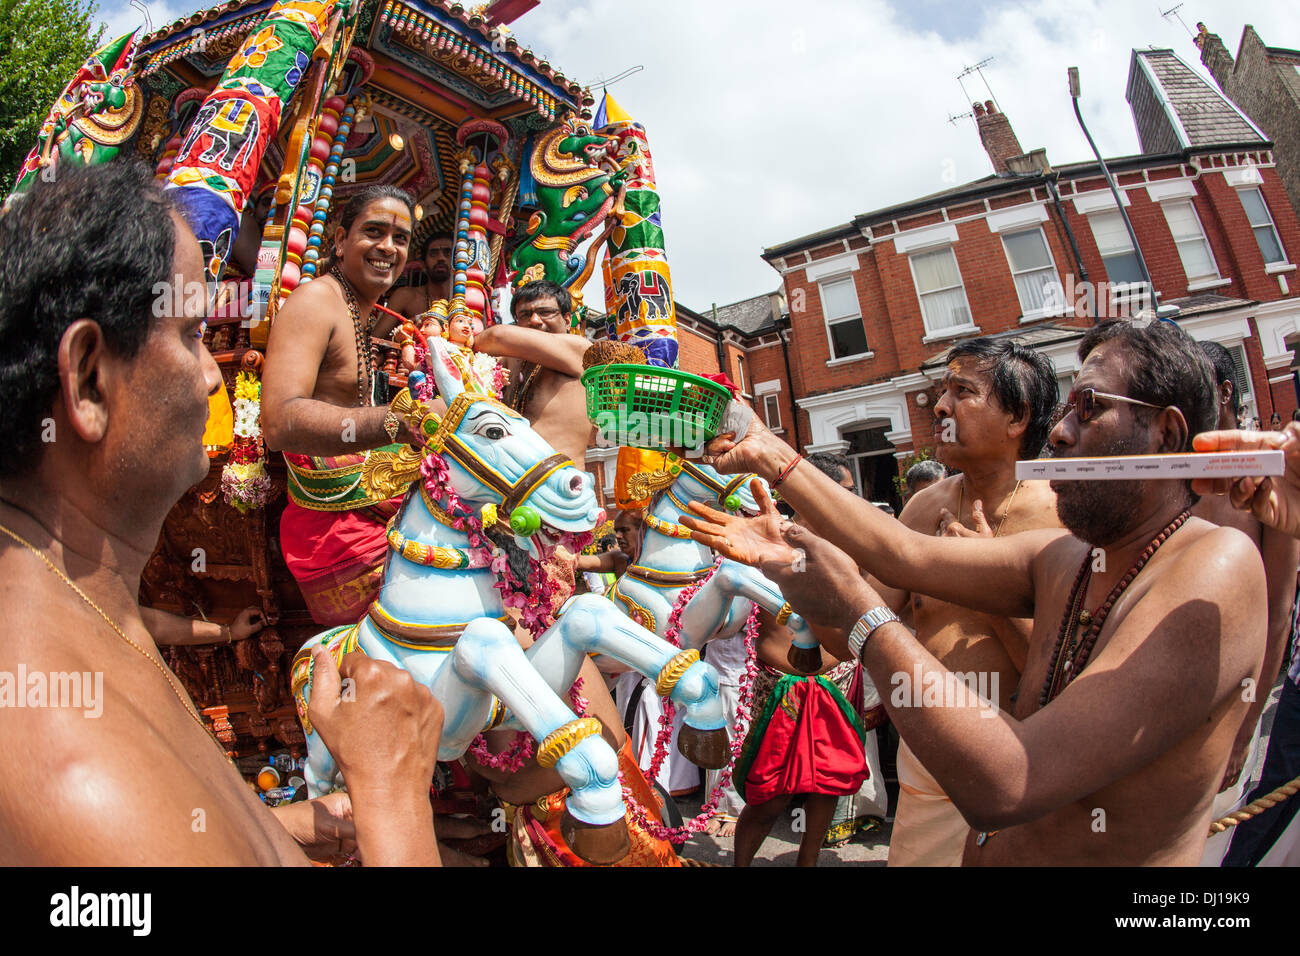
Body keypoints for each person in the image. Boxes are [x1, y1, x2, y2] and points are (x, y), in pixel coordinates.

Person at [686, 319, 1266, 865]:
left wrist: (856, 606)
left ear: (1166, 431)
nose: (1060, 435)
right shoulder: (1063, 558)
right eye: (1065, 409)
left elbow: (1012, 782)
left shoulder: (1215, 563)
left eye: (1089, 408)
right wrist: (766, 454)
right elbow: (900, 553)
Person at [0, 163, 444, 865]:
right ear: (88, 381)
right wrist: (393, 796)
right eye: (193, 334)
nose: (216, 374)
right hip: (329, 530)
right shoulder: (75, 772)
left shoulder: (85, 607)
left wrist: (280, 828)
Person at [875, 339, 1062, 866]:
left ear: (1018, 416)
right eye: (941, 392)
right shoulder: (923, 507)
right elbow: (855, 625)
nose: (939, 407)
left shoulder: (1065, 514)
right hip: (926, 774)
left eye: (962, 392)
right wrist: (791, 568)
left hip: (1025, 772)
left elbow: (1064, 679)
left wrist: (987, 586)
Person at [261, 184, 417, 626]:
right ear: (339, 240)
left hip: (370, 514)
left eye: (400, 238)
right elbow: (280, 422)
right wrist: (401, 422)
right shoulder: (315, 301)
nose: (387, 247)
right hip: (334, 532)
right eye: (374, 231)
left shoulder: (359, 311)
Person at [732, 452, 883, 864]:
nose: (854, 500)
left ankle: (808, 861)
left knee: (827, 784)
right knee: (770, 794)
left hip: (837, 681)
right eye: (847, 492)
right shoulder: (765, 538)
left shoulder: (852, 551)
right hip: (781, 688)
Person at [1192, 342, 1299, 865]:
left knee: (1223, 842)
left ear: (1226, 391)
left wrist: (1245, 726)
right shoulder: (1179, 477)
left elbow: (1278, 614)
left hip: (1237, 702)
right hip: (1170, 705)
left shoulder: (1272, 476)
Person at [388, 234, 454, 325]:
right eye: (433, 254)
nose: (441, 258)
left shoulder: (467, 298)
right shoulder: (405, 296)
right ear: (423, 264)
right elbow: (376, 336)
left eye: (448, 253)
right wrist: (407, 328)